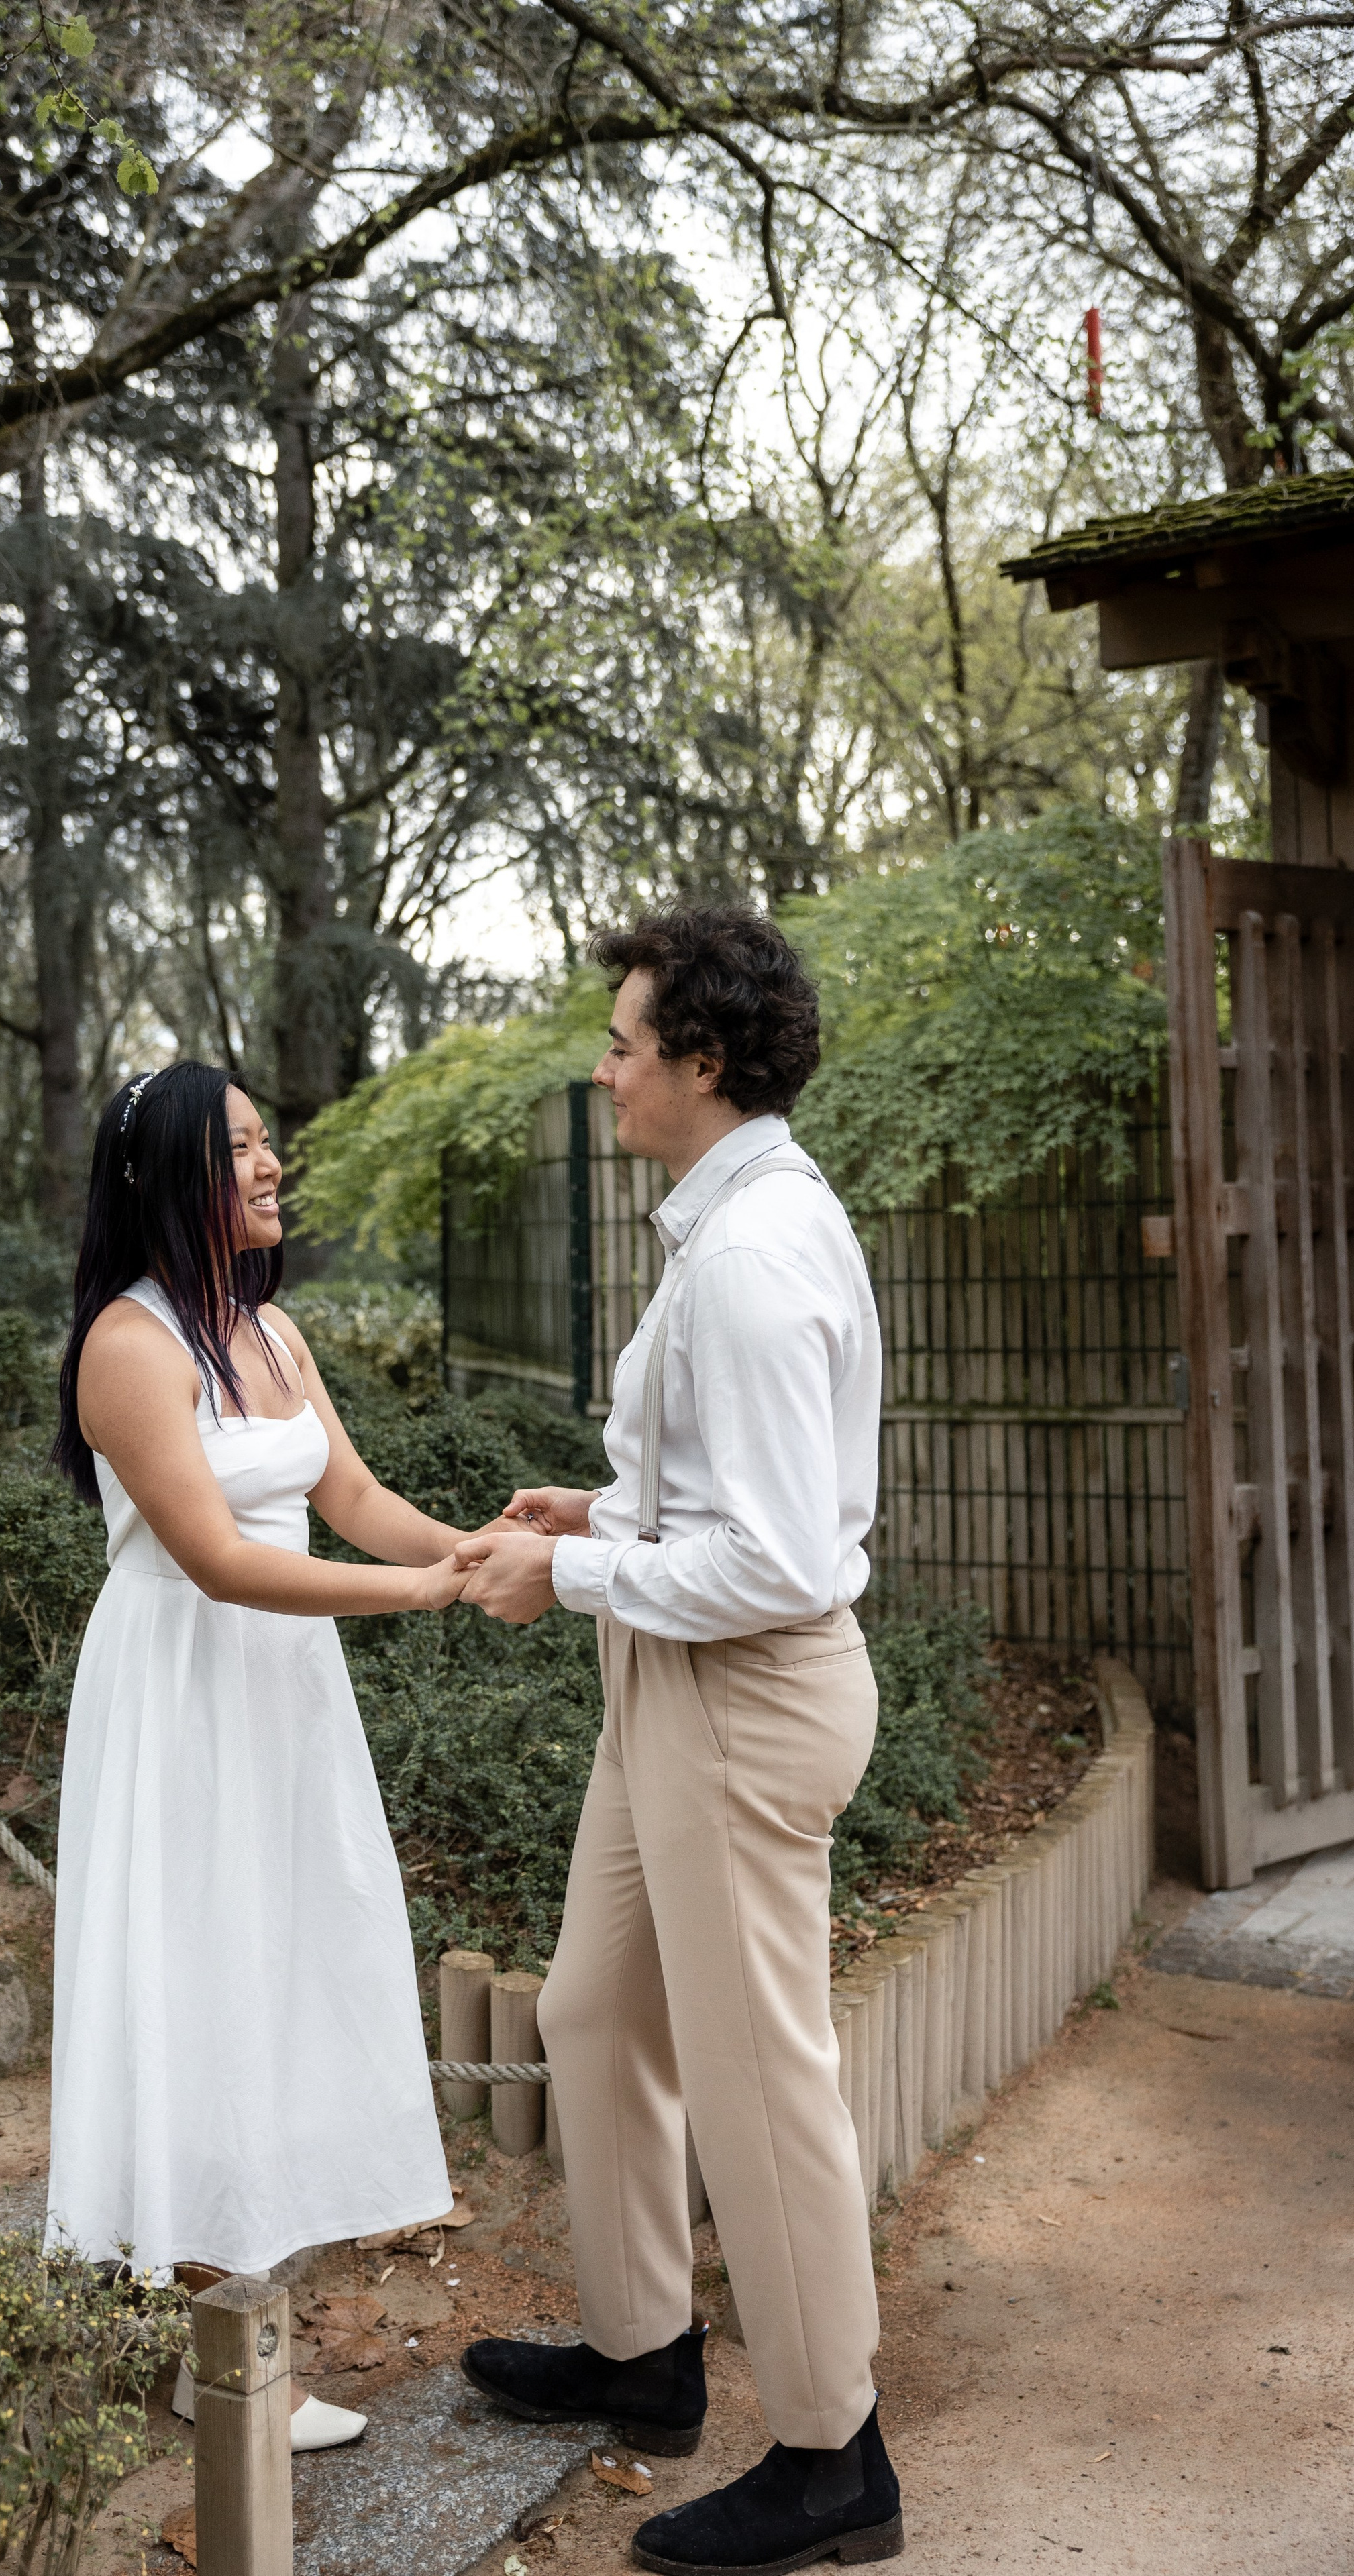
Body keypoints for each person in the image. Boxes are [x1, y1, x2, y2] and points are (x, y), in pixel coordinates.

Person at [452, 909, 903, 2571]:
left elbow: (783, 1558)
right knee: (591, 2008)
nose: (605, 1067)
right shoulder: (723, 1225)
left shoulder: (753, 1253)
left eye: (625, 1044)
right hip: (672, 1682)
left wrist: (561, 1568)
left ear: (701, 1064)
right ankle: (644, 2356)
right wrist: (606, 1509)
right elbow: (731, 1499)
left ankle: (831, 2453)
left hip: (741, 1697)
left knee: (754, 2079)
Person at [46, 1061, 469, 2455]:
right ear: (171, 1177)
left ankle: (247, 2314)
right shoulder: (130, 1345)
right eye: (239, 1148)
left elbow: (346, 1498)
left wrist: (483, 1555)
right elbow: (221, 1562)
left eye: (265, 1141)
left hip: (285, 1691)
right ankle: (215, 2347)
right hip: (182, 1694)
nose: (270, 1162)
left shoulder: (272, 1334)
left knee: (289, 1968)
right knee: (201, 1974)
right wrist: (415, 1603)